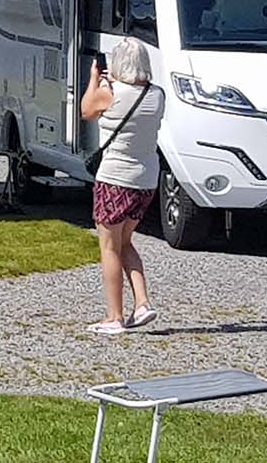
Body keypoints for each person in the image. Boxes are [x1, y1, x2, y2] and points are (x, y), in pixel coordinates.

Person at [81, 36, 165, 335]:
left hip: (115, 177)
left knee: (108, 246)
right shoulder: (157, 94)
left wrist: (94, 80)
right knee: (125, 241)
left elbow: (86, 111)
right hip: (146, 178)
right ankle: (142, 303)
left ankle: (114, 316)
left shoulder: (110, 92)